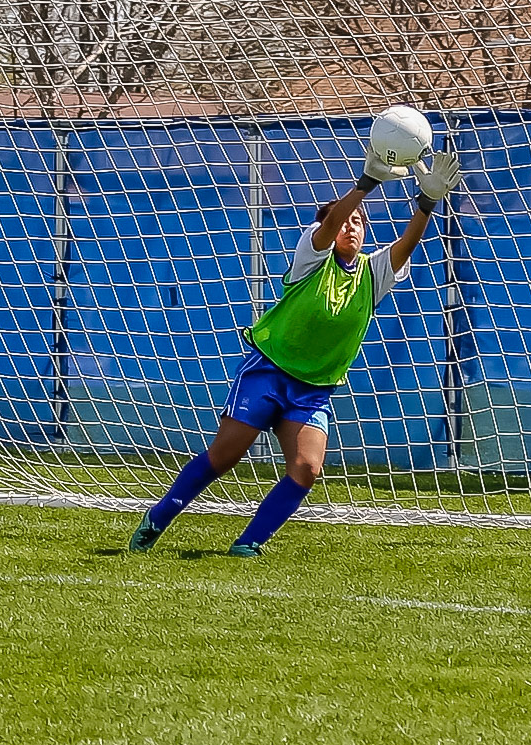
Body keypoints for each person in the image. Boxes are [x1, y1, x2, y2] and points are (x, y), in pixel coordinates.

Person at [129, 147, 463, 556]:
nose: (350, 228)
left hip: (314, 387)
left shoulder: (373, 276)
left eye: (359, 223)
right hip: (268, 371)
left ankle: (248, 544)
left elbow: (407, 245)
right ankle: (159, 517)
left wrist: (426, 205)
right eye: (344, 221)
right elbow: (329, 227)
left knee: (306, 468)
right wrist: (366, 183)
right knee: (225, 456)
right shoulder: (311, 257)